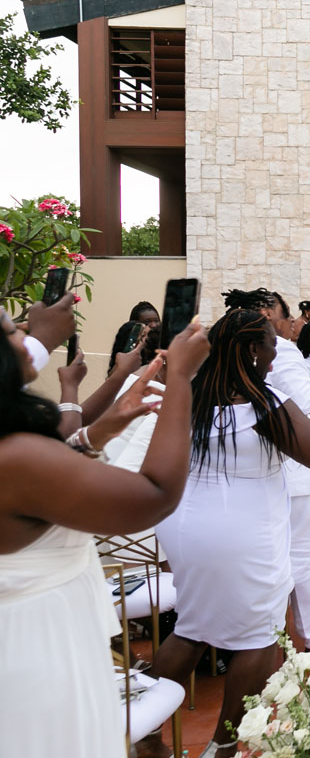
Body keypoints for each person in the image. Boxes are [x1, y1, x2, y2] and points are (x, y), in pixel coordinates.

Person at [151, 309, 310, 758]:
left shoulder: (190, 395)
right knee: (260, 640)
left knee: (191, 625)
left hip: (185, 525)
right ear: (251, 350)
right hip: (240, 529)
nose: (275, 354)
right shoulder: (263, 403)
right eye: (270, 345)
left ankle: (147, 735)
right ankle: (223, 747)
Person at [0, 312, 210, 758]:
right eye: (11, 329)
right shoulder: (14, 457)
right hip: (39, 656)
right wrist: (181, 381)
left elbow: (53, 463)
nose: (26, 334)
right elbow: (153, 495)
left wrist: (101, 431)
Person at [224, 288, 310, 648]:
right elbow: (302, 401)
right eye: (287, 318)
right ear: (271, 315)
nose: (291, 326)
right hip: (295, 470)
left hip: (252, 474)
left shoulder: (225, 350)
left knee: (274, 558)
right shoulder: (280, 349)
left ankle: (272, 638)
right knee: (308, 559)